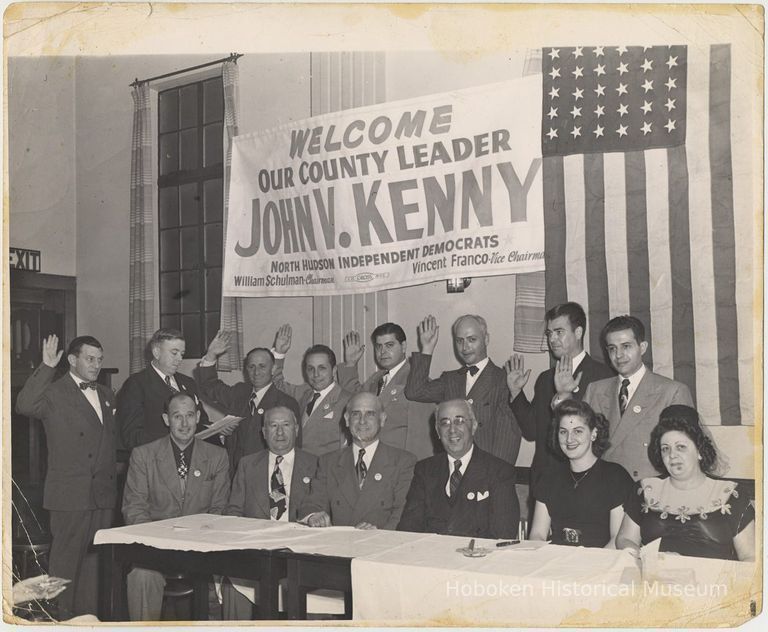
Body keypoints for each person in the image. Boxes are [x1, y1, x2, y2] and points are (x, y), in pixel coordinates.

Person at [16, 334, 117, 619]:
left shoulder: (108, 395)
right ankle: (59, 620)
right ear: (72, 360)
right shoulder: (55, 392)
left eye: (99, 359)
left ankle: (89, 620)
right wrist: (47, 366)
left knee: (94, 568)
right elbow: (24, 405)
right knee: (65, 567)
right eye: (89, 358)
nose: (96, 365)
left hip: (102, 495)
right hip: (70, 495)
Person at [122, 392, 230, 621]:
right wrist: (157, 543)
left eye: (190, 415)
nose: (184, 423)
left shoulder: (218, 456)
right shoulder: (143, 455)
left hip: (203, 549)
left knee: (228, 582)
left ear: (198, 417)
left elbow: (220, 509)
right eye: (177, 416)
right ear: (165, 419)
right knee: (141, 577)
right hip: (156, 549)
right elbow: (134, 508)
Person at [616, 405, 755, 561]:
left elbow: (750, 556)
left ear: (700, 452)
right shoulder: (645, 489)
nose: (672, 455)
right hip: (656, 578)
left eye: (680, 447)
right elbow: (625, 540)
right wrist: (652, 558)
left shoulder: (731, 493)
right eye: (665, 449)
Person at [221, 405, 317, 619]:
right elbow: (233, 511)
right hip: (255, 553)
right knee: (232, 584)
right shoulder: (247, 465)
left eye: (286, 425)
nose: (280, 432)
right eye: (273, 426)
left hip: (299, 554)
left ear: (297, 429)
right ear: (264, 432)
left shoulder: (316, 464)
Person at [506, 302, 614, 486]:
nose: (552, 339)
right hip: (545, 479)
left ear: (578, 333)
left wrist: (565, 396)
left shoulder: (603, 375)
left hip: (585, 480)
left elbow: (604, 437)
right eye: (549, 333)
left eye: (559, 332)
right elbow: (531, 431)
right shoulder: (545, 378)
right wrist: (516, 393)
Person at [582, 315, 693, 480]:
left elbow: (686, 453)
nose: (618, 355)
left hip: (650, 489)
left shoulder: (672, 392)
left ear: (642, 347)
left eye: (626, 346)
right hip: (605, 486)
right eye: (612, 348)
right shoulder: (595, 390)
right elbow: (581, 442)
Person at [405, 314, 522, 464]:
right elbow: (414, 392)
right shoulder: (450, 379)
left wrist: (495, 478)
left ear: (486, 339)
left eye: (472, 340)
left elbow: (508, 438)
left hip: (485, 472)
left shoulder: (504, 380)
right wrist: (427, 348)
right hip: (451, 467)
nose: (465, 347)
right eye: (459, 341)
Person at [398, 399, 519, 539]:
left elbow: (504, 533)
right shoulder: (424, 470)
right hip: (432, 556)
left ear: (473, 426)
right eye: (445, 423)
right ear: (437, 431)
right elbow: (408, 529)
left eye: (459, 421)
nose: (452, 430)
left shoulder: (499, 472)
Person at [299, 392, 416, 529]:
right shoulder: (328, 462)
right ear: (347, 419)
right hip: (338, 546)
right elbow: (312, 503)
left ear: (382, 419)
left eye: (370, 414)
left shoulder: (403, 462)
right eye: (356, 414)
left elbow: (403, 514)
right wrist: (314, 515)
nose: (362, 421)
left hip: (383, 545)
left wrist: (380, 534)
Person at [528, 399, 634, 548]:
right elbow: (537, 534)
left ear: (593, 434)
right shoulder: (548, 477)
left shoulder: (615, 476)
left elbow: (616, 539)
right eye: (563, 432)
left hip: (600, 563)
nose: (569, 439)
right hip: (557, 562)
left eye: (578, 431)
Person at [195, 330, 300, 472]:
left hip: (266, 477)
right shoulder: (240, 392)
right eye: (251, 367)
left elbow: (294, 450)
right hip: (235, 475)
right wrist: (211, 355)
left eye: (262, 366)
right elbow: (210, 386)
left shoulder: (286, 403)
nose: (256, 372)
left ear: (273, 369)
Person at [337, 323, 436, 460]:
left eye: (389, 345)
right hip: (372, 460)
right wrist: (350, 364)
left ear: (403, 346)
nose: (383, 352)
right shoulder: (377, 378)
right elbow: (354, 400)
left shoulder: (417, 381)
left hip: (398, 465)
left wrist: (413, 472)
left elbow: (421, 437)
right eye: (379, 346)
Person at [118, 328, 210, 450]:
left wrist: (217, 429)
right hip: (157, 458)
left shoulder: (188, 383)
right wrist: (174, 441)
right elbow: (132, 436)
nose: (179, 359)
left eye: (182, 354)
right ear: (156, 352)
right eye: (174, 353)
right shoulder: (136, 384)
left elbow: (201, 420)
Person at [271, 325, 353, 456]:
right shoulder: (304, 392)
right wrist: (279, 353)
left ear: (334, 371)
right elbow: (276, 386)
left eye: (322, 368)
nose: (316, 375)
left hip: (327, 472)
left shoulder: (347, 400)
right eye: (310, 369)